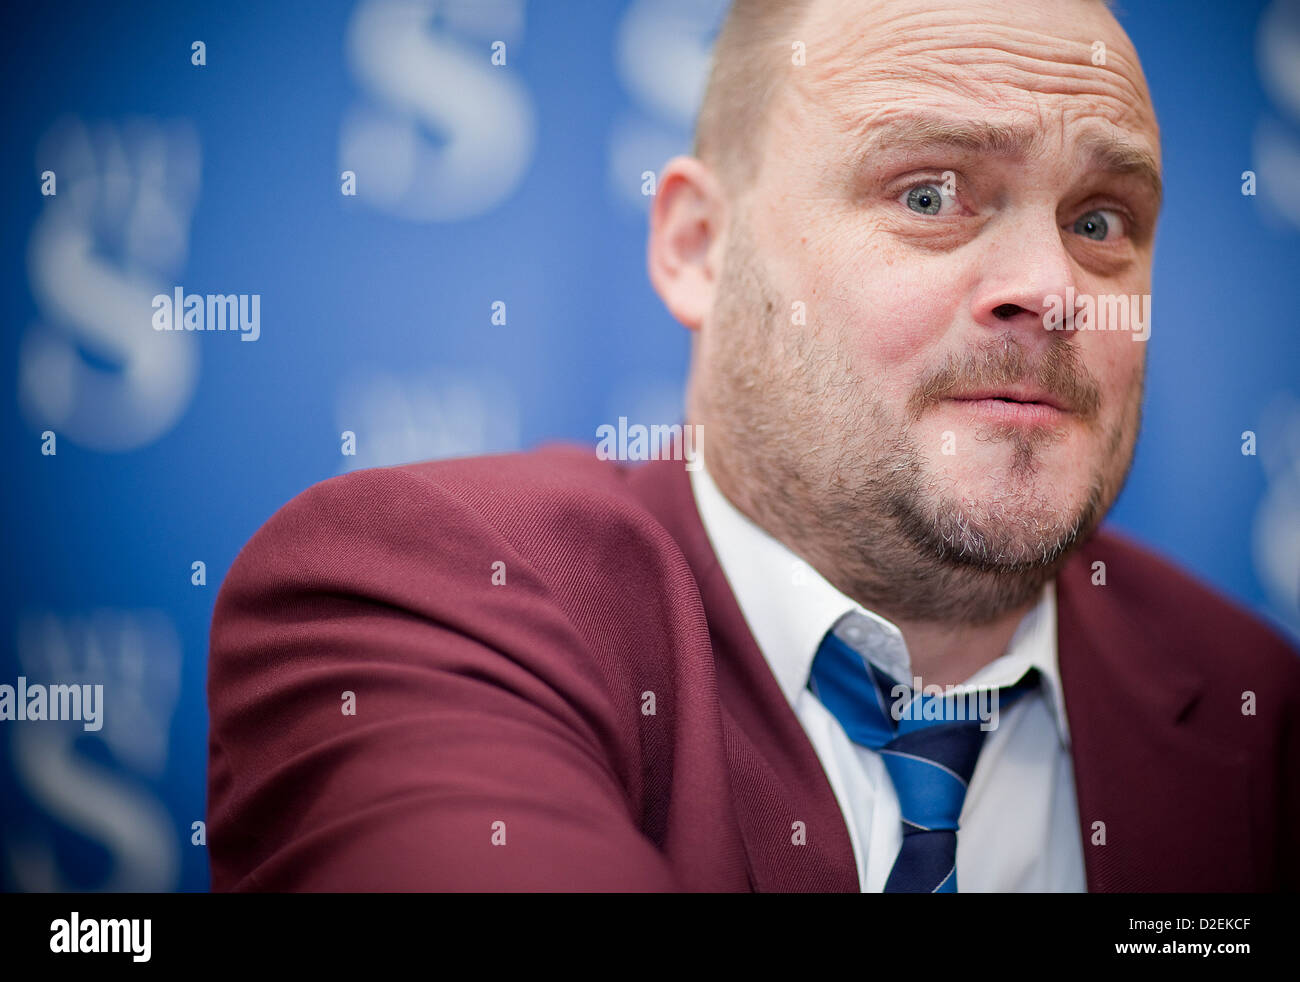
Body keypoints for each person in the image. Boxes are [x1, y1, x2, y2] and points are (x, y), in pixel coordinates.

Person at [206, 0, 1300, 891]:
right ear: (698, 248)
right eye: (929, 193)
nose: (1053, 291)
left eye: (1100, 222)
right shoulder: (415, 592)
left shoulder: (1257, 701)